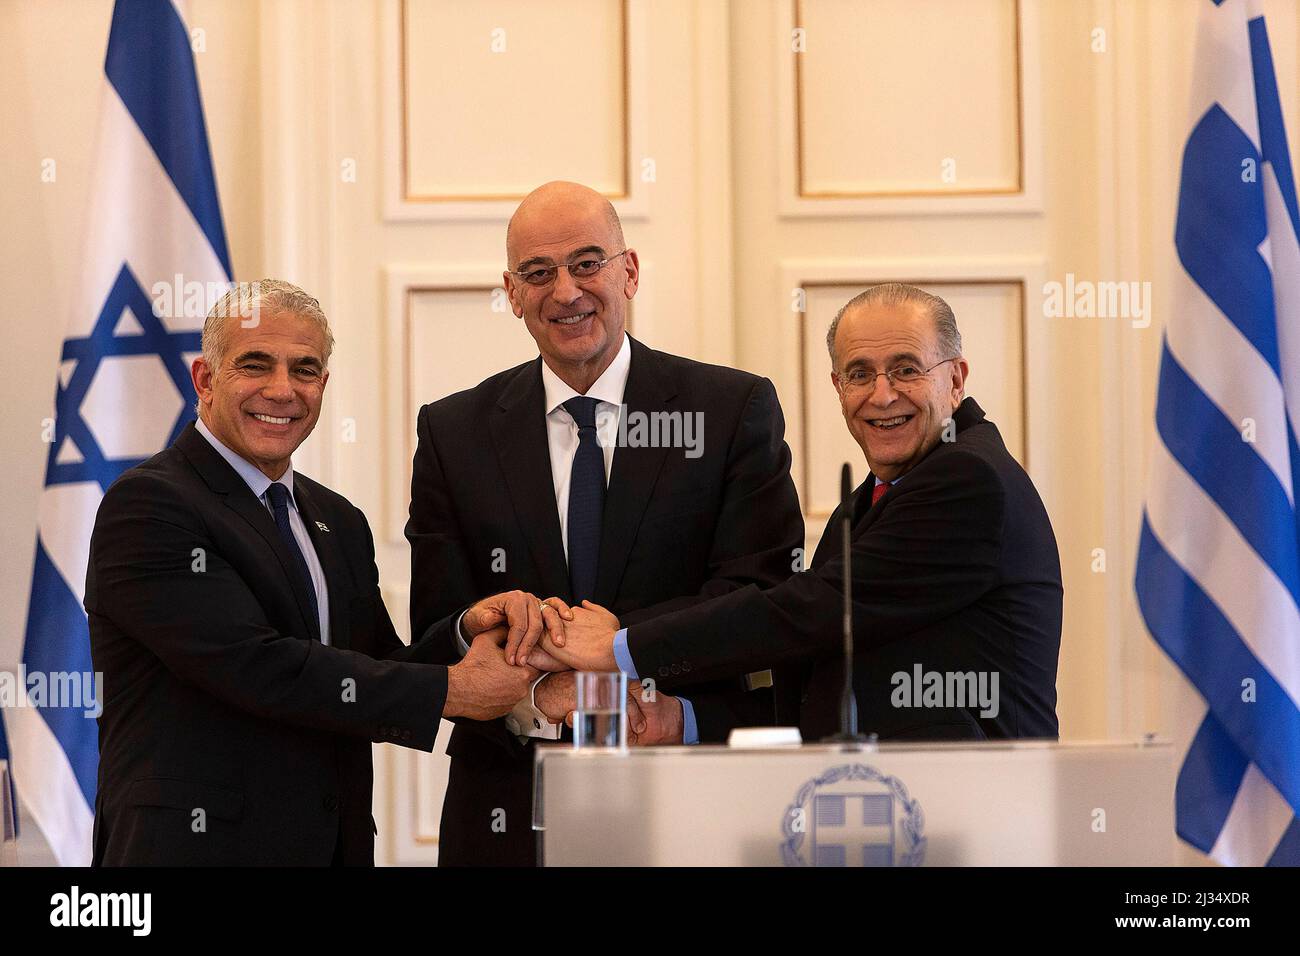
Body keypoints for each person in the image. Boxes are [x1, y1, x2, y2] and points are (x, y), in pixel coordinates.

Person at [408, 181, 804, 866]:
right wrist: (533, 685)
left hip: (686, 803)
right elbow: (437, 627)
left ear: (630, 271)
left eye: (587, 262)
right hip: (503, 811)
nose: (565, 291)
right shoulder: (454, 431)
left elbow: (759, 599)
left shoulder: (729, 410)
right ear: (510, 292)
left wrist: (621, 650)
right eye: (538, 273)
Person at [87, 280, 536, 866]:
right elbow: (255, 665)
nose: (282, 390)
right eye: (255, 365)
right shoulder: (149, 505)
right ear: (205, 379)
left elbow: (370, 667)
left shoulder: (337, 520)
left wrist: (465, 632)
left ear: (322, 385)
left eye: (304, 370)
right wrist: (455, 691)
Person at [536, 283, 1063, 742]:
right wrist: (682, 720)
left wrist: (619, 646)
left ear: (956, 378)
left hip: (974, 817)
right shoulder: (865, 506)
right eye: (859, 374)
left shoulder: (970, 480)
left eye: (906, 369)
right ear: (837, 388)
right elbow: (818, 691)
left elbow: (809, 610)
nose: (882, 395)